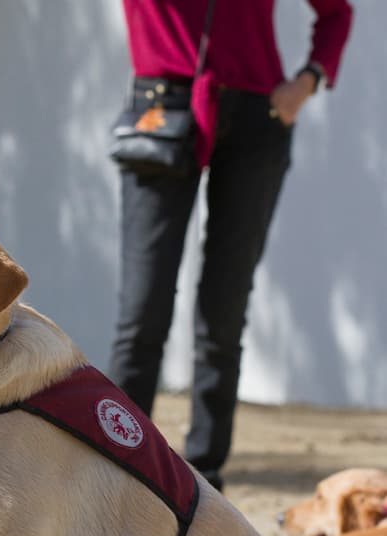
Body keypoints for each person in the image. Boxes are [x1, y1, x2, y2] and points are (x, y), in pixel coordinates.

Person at [108, 0, 353, 491]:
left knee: (223, 310)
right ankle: (115, 468)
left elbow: (336, 12)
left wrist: (304, 83)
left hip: (256, 119)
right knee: (143, 314)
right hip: (165, 105)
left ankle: (204, 481)